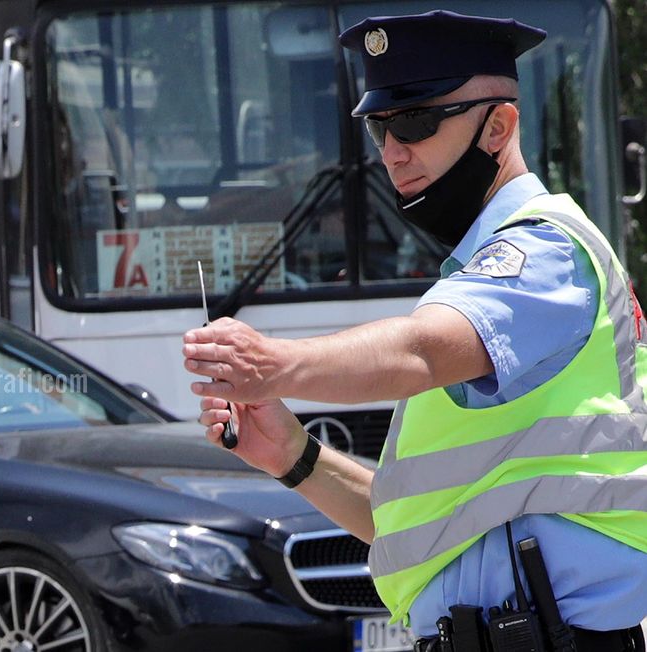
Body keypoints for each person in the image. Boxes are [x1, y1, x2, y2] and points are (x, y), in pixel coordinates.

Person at [182, 10, 647, 652]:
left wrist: (275, 362)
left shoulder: (545, 254)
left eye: (416, 122)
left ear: (500, 126)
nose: (392, 151)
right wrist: (293, 456)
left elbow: (419, 350)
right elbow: (413, 520)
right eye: (379, 127)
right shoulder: (476, 275)